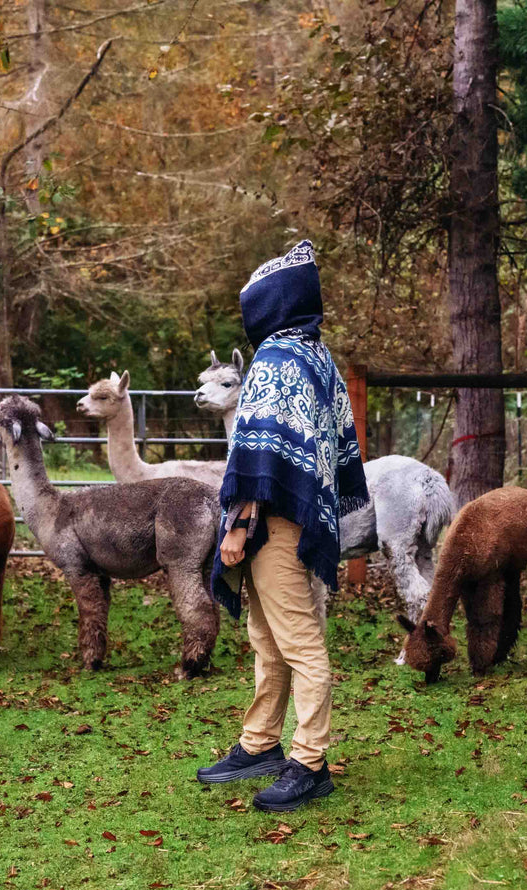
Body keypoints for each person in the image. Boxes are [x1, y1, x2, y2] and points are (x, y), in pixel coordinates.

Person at [196, 239, 369, 813]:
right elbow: (332, 443)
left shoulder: (275, 361)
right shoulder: (316, 357)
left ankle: (310, 761)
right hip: (301, 516)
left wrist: (239, 526)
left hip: (275, 522)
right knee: (267, 638)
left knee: (299, 643)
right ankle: (259, 743)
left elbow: (260, 458)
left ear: (272, 304)